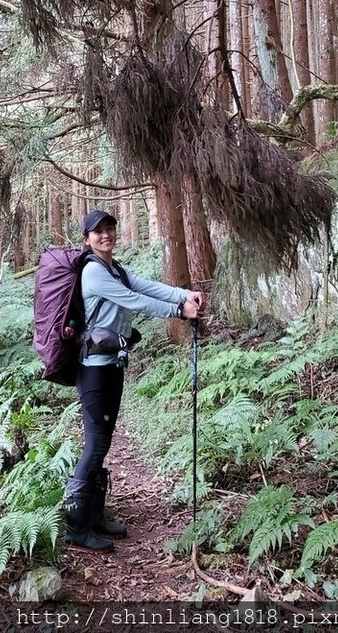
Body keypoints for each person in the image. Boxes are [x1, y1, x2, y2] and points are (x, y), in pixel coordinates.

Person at [63, 208, 203, 553]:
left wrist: (182, 294)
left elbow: (145, 286)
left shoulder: (116, 268)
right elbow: (135, 301)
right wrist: (177, 311)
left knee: (104, 441)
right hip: (94, 368)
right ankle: (75, 526)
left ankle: (95, 517)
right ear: (87, 239)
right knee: (95, 443)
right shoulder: (94, 273)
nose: (106, 235)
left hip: (111, 363)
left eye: (110, 228)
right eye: (98, 232)